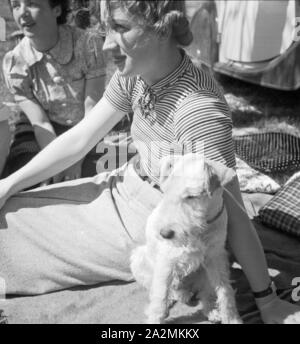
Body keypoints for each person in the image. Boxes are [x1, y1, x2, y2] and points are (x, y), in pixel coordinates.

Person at [0, 0, 299, 324]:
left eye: (122, 28)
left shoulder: (198, 110)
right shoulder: (137, 73)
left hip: (150, 223)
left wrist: (267, 301)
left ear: (163, 27)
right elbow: (81, 138)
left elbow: (233, 212)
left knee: (12, 231)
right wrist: (8, 183)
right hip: (123, 182)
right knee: (11, 204)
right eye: (108, 29)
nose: (107, 43)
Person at [1, 0, 106, 182]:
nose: (22, 13)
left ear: (56, 9)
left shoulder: (87, 45)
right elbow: (40, 122)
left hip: (87, 126)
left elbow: (93, 108)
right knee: (28, 173)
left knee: (102, 172)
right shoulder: (15, 63)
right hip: (41, 130)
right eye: (16, 5)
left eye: (32, 4)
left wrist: (75, 158)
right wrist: (56, 162)